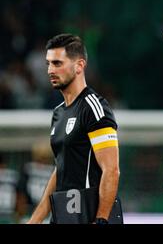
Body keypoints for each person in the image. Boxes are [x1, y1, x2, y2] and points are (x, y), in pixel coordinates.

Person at [28, 34, 120, 224]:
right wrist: (34, 221)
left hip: (86, 215)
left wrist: (101, 220)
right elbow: (61, 169)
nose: (50, 70)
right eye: (48, 64)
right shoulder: (58, 113)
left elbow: (111, 170)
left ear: (79, 66)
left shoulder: (94, 108)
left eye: (57, 63)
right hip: (64, 214)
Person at [15, 141, 54, 223]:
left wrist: (19, 214)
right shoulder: (52, 170)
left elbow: (21, 195)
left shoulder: (28, 169)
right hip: (47, 212)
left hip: (31, 212)